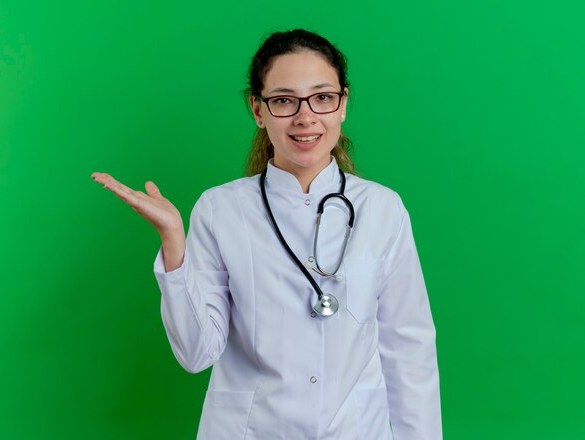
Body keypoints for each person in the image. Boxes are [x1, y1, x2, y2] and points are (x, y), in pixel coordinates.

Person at [91, 29, 441, 440]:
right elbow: (196, 353)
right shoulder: (220, 209)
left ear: (343, 104)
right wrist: (173, 242)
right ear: (258, 110)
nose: (305, 116)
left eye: (322, 97)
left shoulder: (382, 209)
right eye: (283, 100)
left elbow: (409, 350)